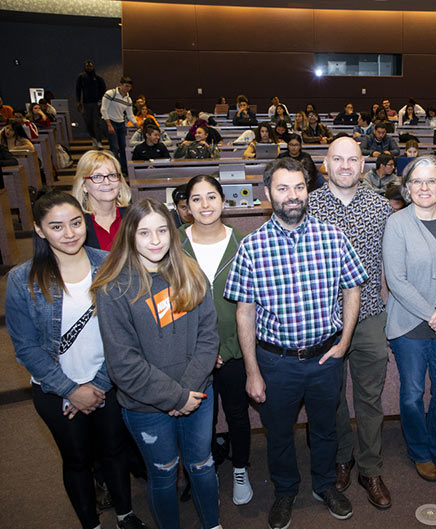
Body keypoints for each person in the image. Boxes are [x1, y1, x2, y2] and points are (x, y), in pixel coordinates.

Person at [224, 157, 368, 529]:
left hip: (325, 358)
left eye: (299, 187)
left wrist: (345, 341)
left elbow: (353, 286)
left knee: (325, 429)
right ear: (268, 192)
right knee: (280, 434)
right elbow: (244, 312)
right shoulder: (252, 247)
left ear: (308, 190)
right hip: (276, 362)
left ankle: (323, 486)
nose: (292, 196)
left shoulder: (333, 237)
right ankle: (285, 490)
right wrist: (252, 370)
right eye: (283, 188)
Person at [5, 191, 149, 529]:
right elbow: (25, 347)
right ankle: (91, 523)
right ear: (40, 230)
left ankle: (125, 514)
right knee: (77, 460)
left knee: (115, 452)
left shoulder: (109, 263)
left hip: (109, 381)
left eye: (74, 223)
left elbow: (125, 333)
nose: (69, 233)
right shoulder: (21, 279)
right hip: (56, 391)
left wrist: (97, 385)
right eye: (56, 226)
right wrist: (71, 389)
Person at [92, 199, 221, 529]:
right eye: (145, 232)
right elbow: (123, 363)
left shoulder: (191, 273)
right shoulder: (115, 286)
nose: (155, 240)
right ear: (130, 235)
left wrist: (188, 389)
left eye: (162, 230)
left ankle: (213, 524)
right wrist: (175, 397)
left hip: (197, 395)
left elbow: (209, 336)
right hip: (146, 406)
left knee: (202, 465)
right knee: (162, 472)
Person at [308, 137, 395, 509]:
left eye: (352, 159)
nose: (345, 165)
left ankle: (370, 468)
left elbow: (388, 260)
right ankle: (343, 457)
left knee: (370, 397)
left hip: (370, 314)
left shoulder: (380, 207)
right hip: (322, 319)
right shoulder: (307, 205)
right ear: (325, 163)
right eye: (337, 159)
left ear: (363, 165)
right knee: (332, 398)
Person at [382, 155, 436, 482]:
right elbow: (397, 280)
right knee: (413, 394)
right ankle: (419, 451)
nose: (424, 187)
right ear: (407, 187)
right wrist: (433, 315)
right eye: (416, 181)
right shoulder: (397, 223)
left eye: (431, 180)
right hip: (409, 324)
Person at [178, 175, 253, 505]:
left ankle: (240, 469)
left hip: (234, 349)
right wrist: (202, 352)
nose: (205, 205)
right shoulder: (173, 244)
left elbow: (252, 303)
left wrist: (222, 350)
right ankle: (198, 471)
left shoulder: (244, 244)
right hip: (188, 352)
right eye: (196, 199)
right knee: (196, 418)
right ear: (186, 206)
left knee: (237, 413)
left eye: (211, 197)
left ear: (224, 202)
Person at [71, 150, 132, 251]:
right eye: (97, 177)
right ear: (84, 185)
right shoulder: (76, 224)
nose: (107, 182)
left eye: (112, 175)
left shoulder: (133, 216)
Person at [100, 76, 134, 176]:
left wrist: (137, 124)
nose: (127, 88)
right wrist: (109, 124)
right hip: (109, 121)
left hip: (121, 123)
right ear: (120, 85)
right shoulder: (111, 93)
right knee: (114, 147)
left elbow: (130, 114)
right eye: (126, 86)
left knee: (123, 147)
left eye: (129, 87)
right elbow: (103, 109)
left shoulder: (128, 99)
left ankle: (124, 169)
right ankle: (114, 170)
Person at [76, 60, 107, 148]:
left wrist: (101, 102)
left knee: (97, 123)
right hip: (86, 103)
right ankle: (93, 138)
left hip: (96, 103)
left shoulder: (98, 78)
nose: (88, 67)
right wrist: (78, 101)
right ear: (85, 67)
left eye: (90, 66)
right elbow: (78, 90)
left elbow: (103, 91)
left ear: (93, 67)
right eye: (87, 66)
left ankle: (99, 141)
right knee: (88, 122)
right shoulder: (81, 77)